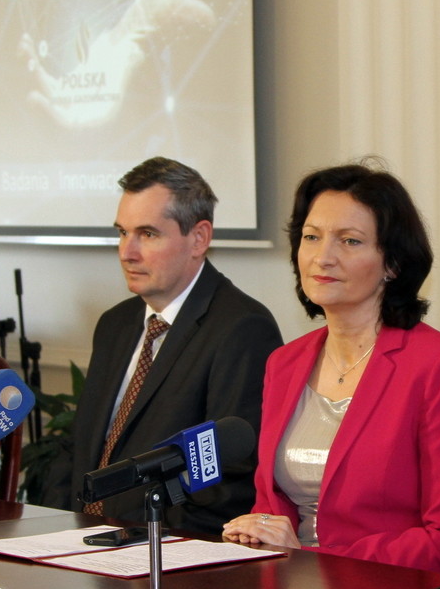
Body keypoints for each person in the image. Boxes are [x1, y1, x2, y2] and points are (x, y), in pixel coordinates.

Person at [222, 163, 440, 572]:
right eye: (311, 237)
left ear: (392, 264)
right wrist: (255, 534)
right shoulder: (284, 362)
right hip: (283, 585)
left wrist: (312, 559)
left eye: (349, 241)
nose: (323, 257)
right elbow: (271, 506)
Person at [43, 157, 282, 534]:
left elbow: (228, 482)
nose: (127, 252)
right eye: (122, 232)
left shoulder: (242, 328)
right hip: (79, 539)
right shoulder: (115, 324)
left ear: (199, 238)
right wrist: (57, 527)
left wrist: (136, 537)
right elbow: (80, 447)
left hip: (159, 547)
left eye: (148, 234)